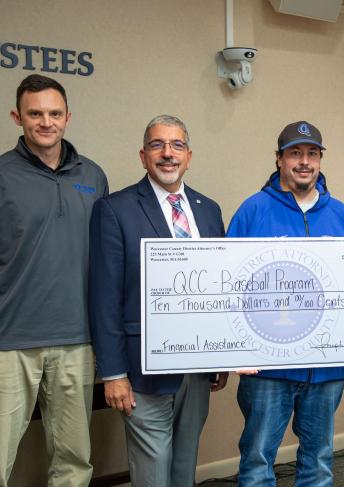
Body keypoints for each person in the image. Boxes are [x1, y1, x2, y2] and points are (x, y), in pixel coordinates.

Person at [88, 115, 227, 487]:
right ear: (143, 156)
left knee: (184, 469)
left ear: (189, 156)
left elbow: (220, 288)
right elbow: (104, 297)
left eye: (177, 145)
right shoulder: (115, 209)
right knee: (153, 474)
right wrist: (113, 373)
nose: (168, 154)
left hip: (196, 371)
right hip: (141, 371)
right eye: (157, 145)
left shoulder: (209, 210)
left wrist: (222, 355)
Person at [226, 121, 344, 486]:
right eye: (295, 153)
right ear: (279, 159)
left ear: (320, 159)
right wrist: (237, 348)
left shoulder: (341, 214)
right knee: (257, 463)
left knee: (318, 462)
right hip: (268, 369)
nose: (304, 162)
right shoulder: (252, 211)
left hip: (325, 368)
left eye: (312, 154)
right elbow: (227, 287)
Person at [0, 74, 108, 486]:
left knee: (73, 459)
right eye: (35, 113)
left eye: (55, 113)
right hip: (10, 342)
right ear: (17, 116)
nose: (46, 122)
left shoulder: (93, 176)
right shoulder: (3, 174)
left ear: (67, 117)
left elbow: (104, 257)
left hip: (76, 339)